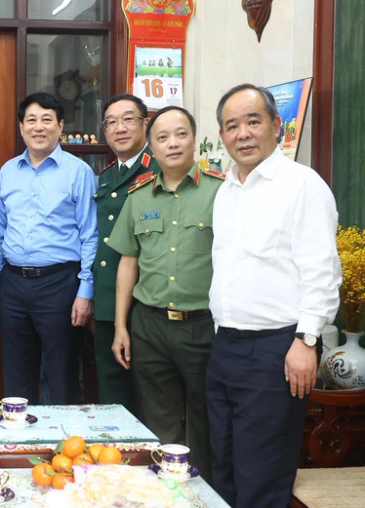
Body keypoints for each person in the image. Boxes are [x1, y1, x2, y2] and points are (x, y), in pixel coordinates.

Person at [206, 84, 341, 508]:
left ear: (276, 126)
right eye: (232, 125)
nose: (242, 133)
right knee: (223, 468)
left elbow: (321, 268)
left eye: (253, 121)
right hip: (226, 345)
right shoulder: (225, 190)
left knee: (260, 475)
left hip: (277, 350)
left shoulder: (301, 184)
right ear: (223, 135)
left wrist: (306, 341)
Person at [108, 106, 224, 480]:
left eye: (180, 134)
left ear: (194, 138)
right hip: (150, 325)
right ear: (151, 147)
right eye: (162, 137)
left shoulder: (222, 191)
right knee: (160, 419)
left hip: (204, 326)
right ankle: (167, 493)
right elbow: (129, 262)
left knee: (205, 417)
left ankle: (205, 496)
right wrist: (121, 326)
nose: (172, 143)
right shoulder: (139, 196)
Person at [0, 92, 98, 405]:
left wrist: (85, 291)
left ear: (60, 126)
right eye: (32, 120)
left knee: (61, 371)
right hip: (13, 283)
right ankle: (18, 447)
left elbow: (90, 233)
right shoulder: (9, 171)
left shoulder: (79, 172)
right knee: (15, 373)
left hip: (60, 283)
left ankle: (61, 451)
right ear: (22, 127)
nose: (39, 127)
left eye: (47, 120)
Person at [92, 93, 160, 413]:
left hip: (147, 302)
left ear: (145, 123)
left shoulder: (160, 169)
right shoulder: (106, 177)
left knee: (149, 395)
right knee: (112, 393)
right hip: (107, 301)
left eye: (128, 119)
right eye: (111, 122)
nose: (120, 128)